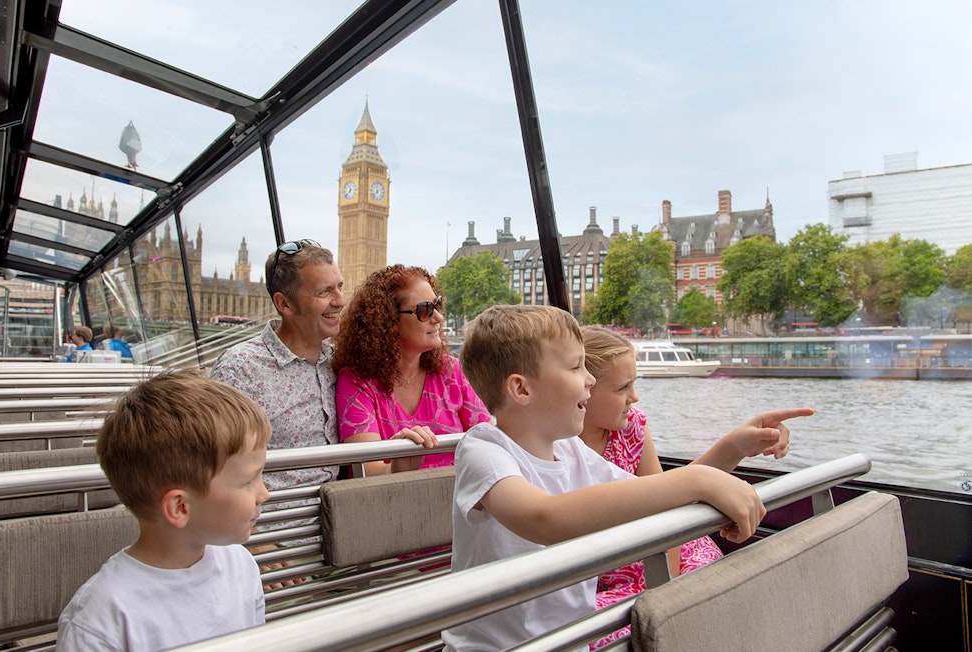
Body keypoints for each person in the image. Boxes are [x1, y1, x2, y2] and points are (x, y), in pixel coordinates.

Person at [441, 304, 813, 651]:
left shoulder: (571, 451)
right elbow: (544, 518)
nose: (589, 380)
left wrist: (734, 446)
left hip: (571, 641)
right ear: (521, 388)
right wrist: (697, 481)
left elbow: (650, 495)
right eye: (575, 368)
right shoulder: (484, 449)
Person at [56, 369, 270, 651]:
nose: (264, 493)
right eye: (248, 481)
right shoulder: (101, 620)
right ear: (180, 507)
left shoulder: (240, 566)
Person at [211, 239, 343, 516]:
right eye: (324, 292)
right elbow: (209, 464)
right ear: (284, 303)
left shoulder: (342, 363)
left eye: (340, 287)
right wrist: (247, 544)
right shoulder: (240, 368)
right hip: (271, 537)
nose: (340, 300)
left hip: (340, 528)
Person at [333, 264, 490, 476]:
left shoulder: (449, 371)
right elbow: (367, 469)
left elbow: (489, 439)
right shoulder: (357, 380)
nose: (438, 317)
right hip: (393, 502)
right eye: (425, 310)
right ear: (389, 321)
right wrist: (399, 466)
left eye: (437, 305)